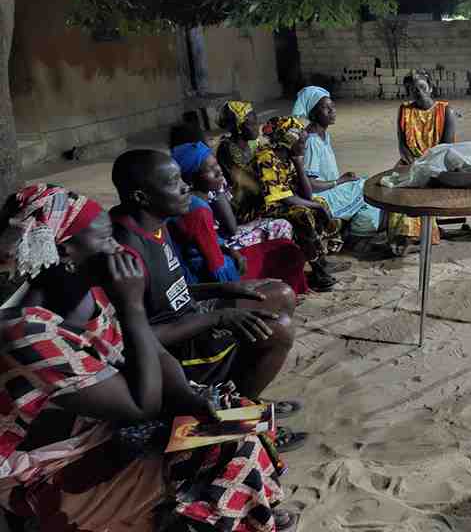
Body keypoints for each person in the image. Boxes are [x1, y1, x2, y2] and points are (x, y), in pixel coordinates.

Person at [0, 185, 297, 531]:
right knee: (231, 448)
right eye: (107, 239)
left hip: (99, 430)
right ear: (66, 252)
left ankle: (238, 510)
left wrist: (189, 397)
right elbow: (142, 405)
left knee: (239, 416)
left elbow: (154, 356)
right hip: (46, 469)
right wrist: (132, 307)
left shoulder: (88, 292)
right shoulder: (27, 331)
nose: (117, 248)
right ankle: (208, 516)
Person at [109, 150, 305, 414]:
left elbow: (166, 293)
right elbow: (134, 336)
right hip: (171, 347)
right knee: (279, 330)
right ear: (142, 197)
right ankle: (237, 409)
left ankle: (237, 387)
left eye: (181, 178)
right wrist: (220, 317)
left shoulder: (154, 221)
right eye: (173, 182)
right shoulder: (126, 251)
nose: (185, 187)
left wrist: (221, 288)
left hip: (189, 315)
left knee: (281, 293)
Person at [169, 140, 311, 294]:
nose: (219, 171)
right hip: (215, 278)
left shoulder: (197, 201)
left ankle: (292, 290)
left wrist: (231, 252)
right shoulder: (197, 210)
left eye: (217, 165)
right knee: (287, 252)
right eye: (210, 169)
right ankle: (285, 294)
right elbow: (217, 267)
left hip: (223, 260)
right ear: (191, 179)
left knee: (285, 246)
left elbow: (213, 243)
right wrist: (240, 290)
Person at [256, 116, 344, 291]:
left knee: (319, 202)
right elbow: (284, 198)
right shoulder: (266, 158)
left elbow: (308, 194)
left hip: (284, 200)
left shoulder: (289, 158)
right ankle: (318, 271)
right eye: (302, 141)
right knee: (302, 214)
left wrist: (298, 163)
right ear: (290, 141)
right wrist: (315, 206)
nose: (305, 145)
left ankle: (322, 260)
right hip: (264, 206)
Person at [292, 86, 384, 242]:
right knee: (366, 187)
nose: (332, 111)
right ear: (313, 113)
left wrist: (342, 180)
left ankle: (362, 228)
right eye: (325, 108)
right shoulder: (312, 141)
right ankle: (359, 232)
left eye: (332, 107)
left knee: (367, 183)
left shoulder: (323, 135)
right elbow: (310, 184)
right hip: (321, 197)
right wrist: (340, 181)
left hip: (330, 189)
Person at [389, 70, 456, 256]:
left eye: (422, 87)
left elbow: (446, 148)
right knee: (395, 189)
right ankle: (404, 235)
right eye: (412, 89)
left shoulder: (445, 111)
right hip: (410, 162)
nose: (418, 92)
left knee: (418, 192)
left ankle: (414, 237)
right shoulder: (404, 110)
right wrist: (412, 164)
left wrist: (424, 167)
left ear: (431, 88)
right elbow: (402, 145)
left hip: (437, 164)